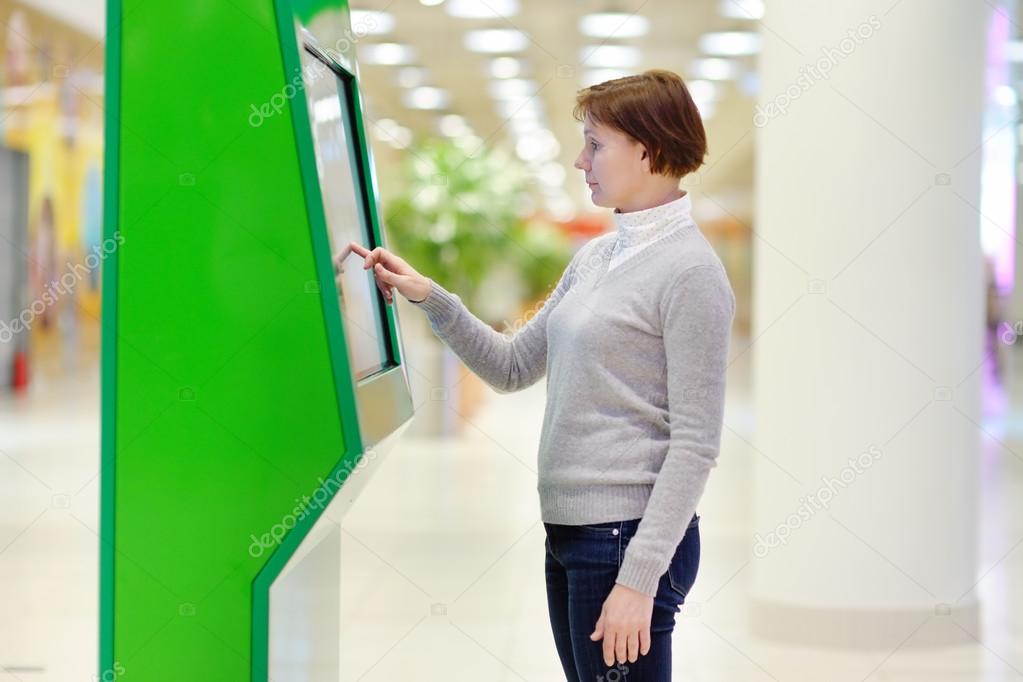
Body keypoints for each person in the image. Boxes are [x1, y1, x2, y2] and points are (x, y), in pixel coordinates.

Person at [338, 69, 735, 681]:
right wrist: (431, 298)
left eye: (596, 144)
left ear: (648, 149)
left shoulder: (692, 275)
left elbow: (696, 443)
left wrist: (639, 579)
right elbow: (514, 365)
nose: (582, 161)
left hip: (627, 542)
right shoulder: (597, 256)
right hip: (573, 533)